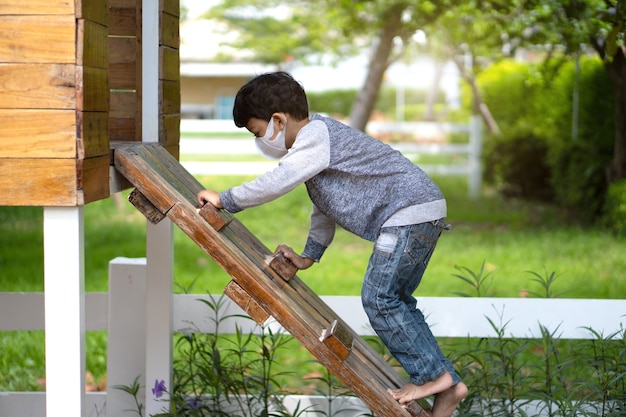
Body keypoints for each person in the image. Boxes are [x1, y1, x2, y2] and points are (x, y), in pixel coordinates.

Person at [196, 71, 468, 417]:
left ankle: (433, 378)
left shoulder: (315, 136)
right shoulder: (318, 145)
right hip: (419, 211)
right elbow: (326, 207)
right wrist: (309, 255)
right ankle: (449, 388)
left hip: (408, 212)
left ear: (278, 120)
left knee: (379, 299)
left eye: (257, 131)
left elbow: (278, 181)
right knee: (396, 300)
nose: (259, 140)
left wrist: (227, 199)